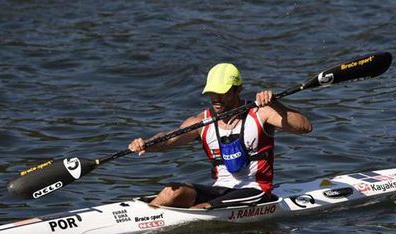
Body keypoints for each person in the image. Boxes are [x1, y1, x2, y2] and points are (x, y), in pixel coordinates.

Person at [128, 63, 312, 209]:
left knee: (201, 208)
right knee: (170, 192)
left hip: (256, 189)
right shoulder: (202, 121)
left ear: (237, 89)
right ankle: (146, 218)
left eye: (221, 93)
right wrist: (147, 144)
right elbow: (170, 139)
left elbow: (305, 127)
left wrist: (276, 105)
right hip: (220, 189)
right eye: (212, 93)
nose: (216, 98)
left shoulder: (261, 113)